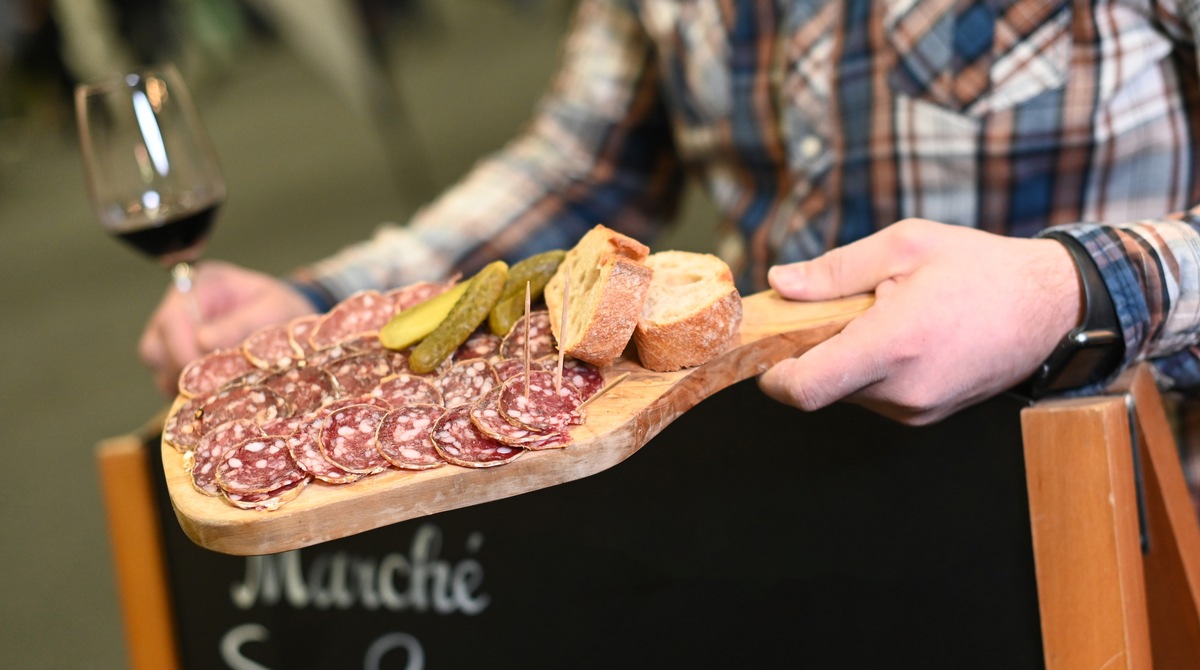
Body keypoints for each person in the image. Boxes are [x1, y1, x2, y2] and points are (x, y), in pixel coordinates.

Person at [140, 0, 1200, 427]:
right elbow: (585, 165)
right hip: (777, 453)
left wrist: (1071, 289)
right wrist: (329, 300)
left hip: (1109, 468)